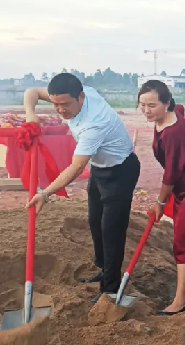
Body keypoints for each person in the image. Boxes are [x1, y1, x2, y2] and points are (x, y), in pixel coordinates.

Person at [25, 73, 140, 300]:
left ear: (81, 96)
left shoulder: (94, 123)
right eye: (55, 104)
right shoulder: (76, 94)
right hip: (100, 166)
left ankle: (110, 289)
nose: (59, 109)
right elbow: (32, 92)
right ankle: (104, 268)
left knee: (111, 230)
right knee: (95, 219)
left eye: (65, 104)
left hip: (120, 170)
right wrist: (31, 116)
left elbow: (76, 167)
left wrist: (45, 194)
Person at [139, 80, 185, 315]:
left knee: (184, 239)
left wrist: (160, 203)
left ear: (166, 103)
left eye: (152, 105)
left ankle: (180, 299)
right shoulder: (170, 115)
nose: (146, 110)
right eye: (142, 105)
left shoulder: (173, 133)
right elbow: (180, 108)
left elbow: (170, 174)